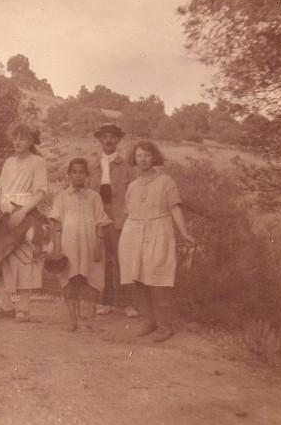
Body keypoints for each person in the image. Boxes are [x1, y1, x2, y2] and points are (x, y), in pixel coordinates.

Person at [118, 141, 195, 342]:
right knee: (137, 278)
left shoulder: (165, 181)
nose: (143, 159)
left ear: (154, 158)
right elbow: (129, 213)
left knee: (159, 279)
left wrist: (184, 233)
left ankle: (165, 326)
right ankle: (149, 321)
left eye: (147, 155)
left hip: (159, 232)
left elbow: (175, 208)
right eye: (139, 156)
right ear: (134, 159)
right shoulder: (133, 186)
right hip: (134, 233)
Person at [0, 123, 48, 322]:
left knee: (25, 258)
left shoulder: (37, 162)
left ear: (30, 141)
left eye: (22, 138)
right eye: (15, 138)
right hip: (4, 212)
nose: (17, 142)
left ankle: (23, 308)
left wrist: (22, 212)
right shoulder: (9, 162)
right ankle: (6, 305)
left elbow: (40, 193)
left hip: (26, 212)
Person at [49, 158, 114, 331]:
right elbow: (57, 224)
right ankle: (73, 321)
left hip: (90, 244)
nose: (78, 176)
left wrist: (98, 245)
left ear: (87, 175)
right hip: (68, 244)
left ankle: (91, 320)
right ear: (69, 174)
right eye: (74, 172)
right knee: (69, 279)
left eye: (81, 172)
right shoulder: (62, 197)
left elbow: (100, 222)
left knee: (93, 279)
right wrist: (57, 247)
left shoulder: (94, 197)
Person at [89, 122, 139, 318]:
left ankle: (127, 303)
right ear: (100, 140)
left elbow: (134, 194)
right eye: (105, 137)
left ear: (118, 140)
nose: (108, 140)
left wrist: (129, 217)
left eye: (112, 137)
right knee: (104, 261)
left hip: (120, 216)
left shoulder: (127, 167)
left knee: (123, 259)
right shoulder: (92, 166)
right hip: (99, 216)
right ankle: (106, 302)